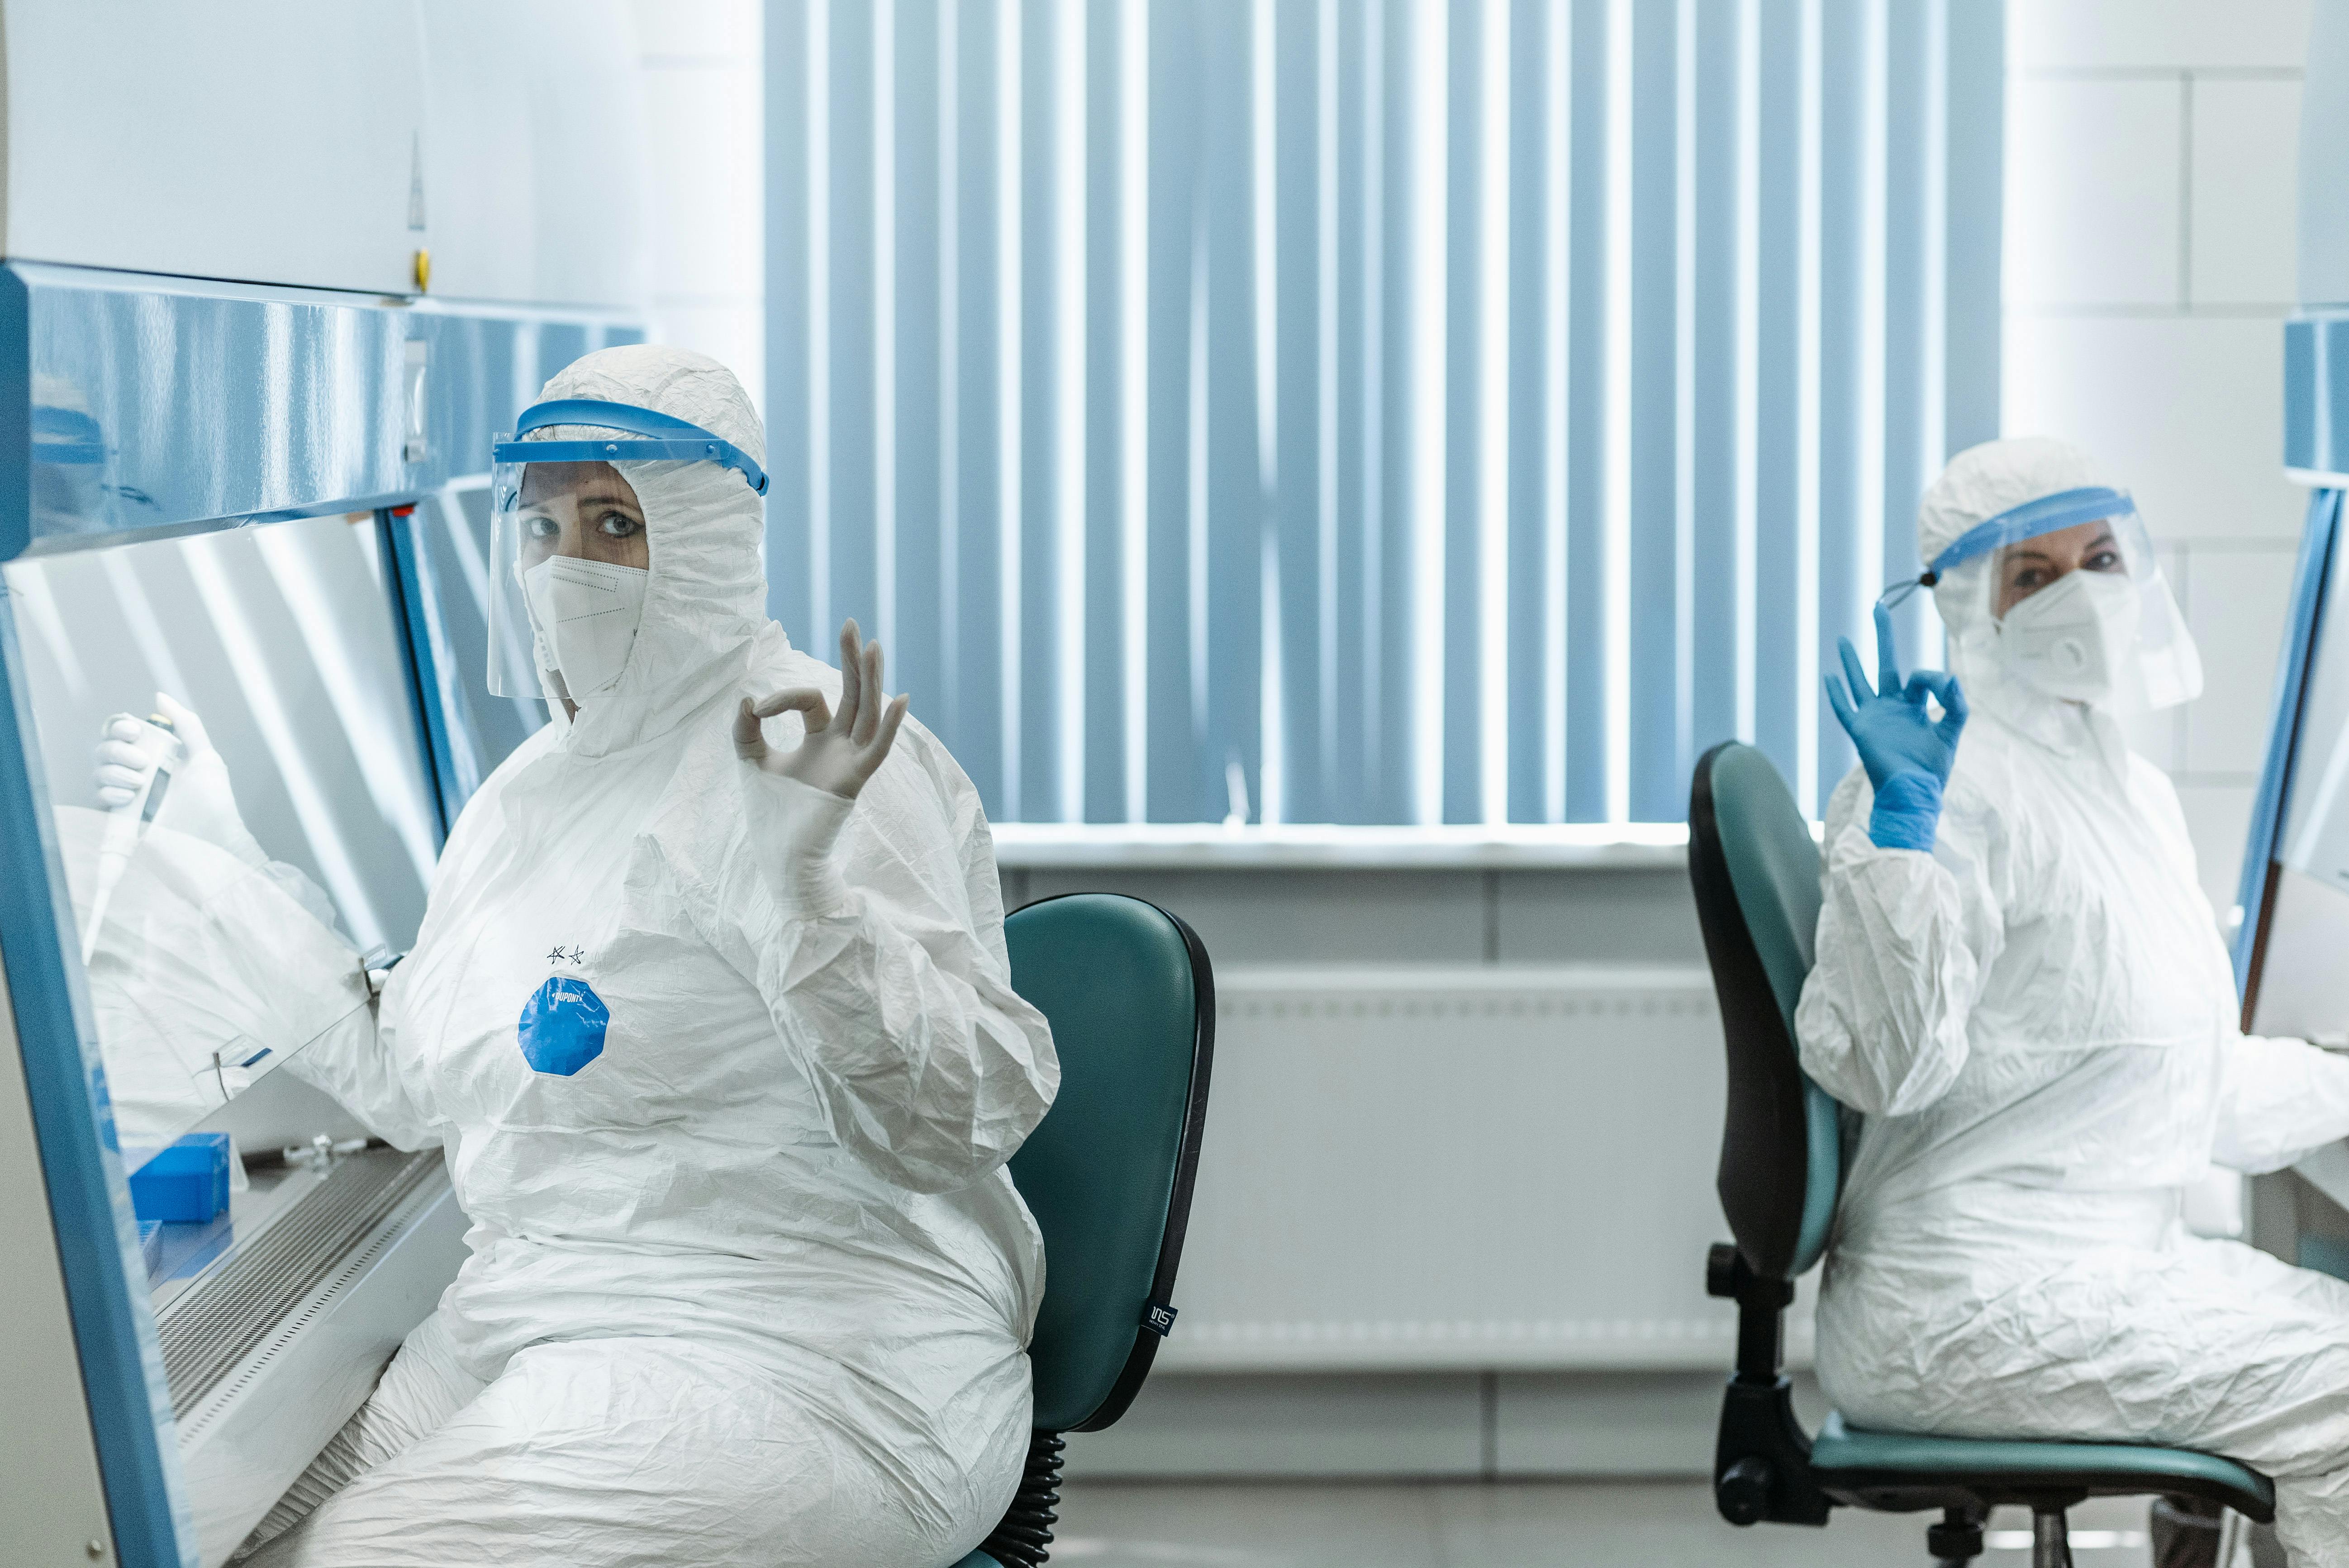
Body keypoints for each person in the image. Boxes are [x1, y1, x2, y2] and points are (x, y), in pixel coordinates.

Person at [205, 345, 1060, 1566]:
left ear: (709, 538)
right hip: (532, 1314)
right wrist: (214, 879)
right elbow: (419, 1077)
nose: (572, 570)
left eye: (617, 524)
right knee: (217, 1530)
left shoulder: (824, 755)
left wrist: (801, 894)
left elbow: (953, 1120)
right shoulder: (530, 797)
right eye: (545, 529)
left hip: (812, 1350)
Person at [1798, 435, 2349, 1567]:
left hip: (2104, 1267)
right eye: (2034, 575)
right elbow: (1885, 1065)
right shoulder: (1943, 783)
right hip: (1965, 1299)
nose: (2083, 596)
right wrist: (1898, 835)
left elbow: (2198, 1089)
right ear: (1966, 606)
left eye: (2100, 557)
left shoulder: (2122, 786)